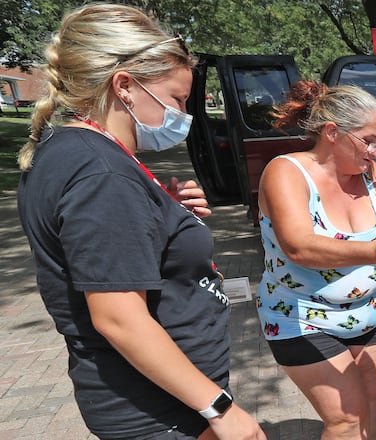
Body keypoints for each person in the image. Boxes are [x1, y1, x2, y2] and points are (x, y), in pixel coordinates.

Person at [16, 4, 266, 440]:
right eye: (177, 99)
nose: (185, 115)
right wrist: (221, 409)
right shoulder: (103, 173)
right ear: (125, 86)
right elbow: (119, 318)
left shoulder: (72, 152)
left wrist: (160, 214)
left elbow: (100, 245)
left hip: (160, 398)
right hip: (162, 409)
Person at [255, 80, 376, 439]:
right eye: (368, 141)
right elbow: (300, 247)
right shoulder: (286, 172)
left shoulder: (371, 174)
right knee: (346, 420)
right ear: (332, 132)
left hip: (369, 311)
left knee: (373, 402)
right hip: (301, 317)